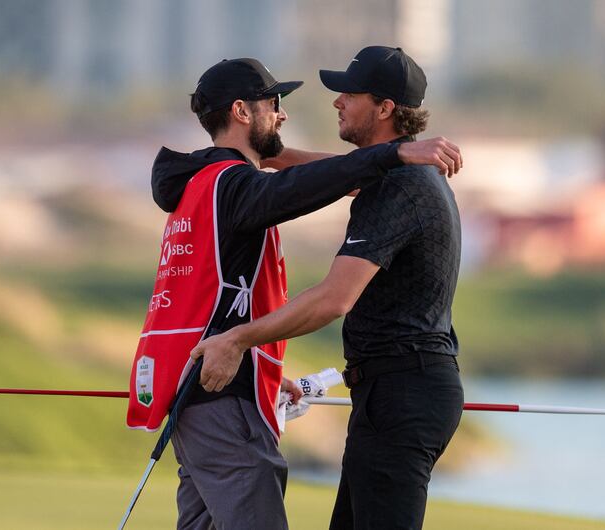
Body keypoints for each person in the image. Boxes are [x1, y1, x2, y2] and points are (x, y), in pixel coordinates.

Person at [126, 56, 463, 530]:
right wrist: (392, 156)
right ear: (242, 112)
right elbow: (311, 199)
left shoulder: (203, 181)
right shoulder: (234, 186)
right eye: (273, 103)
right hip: (224, 392)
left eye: (350, 92)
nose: (283, 112)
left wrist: (254, 360)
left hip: (208, 390)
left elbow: (314, 176)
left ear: (385, 107)